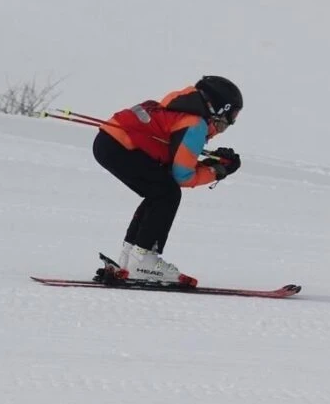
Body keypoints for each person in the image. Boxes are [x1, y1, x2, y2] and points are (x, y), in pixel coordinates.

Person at [92, 76, 243, 285]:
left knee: (159, 191)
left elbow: (172, 158)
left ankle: (130, 258)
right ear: (219, 108)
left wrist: (209, 163)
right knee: (167, 193)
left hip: (110, 143)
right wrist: (217, 171)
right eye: (232, 115)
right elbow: (182, 176)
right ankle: (143, 261)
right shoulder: (195, 124)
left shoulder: (180, 111)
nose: (230, 122)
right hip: (119, 147)